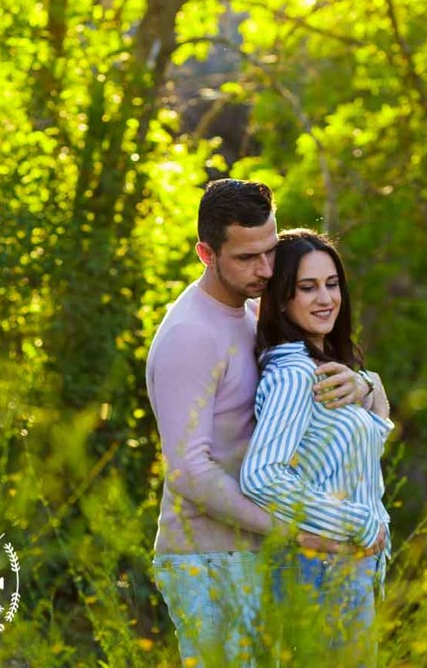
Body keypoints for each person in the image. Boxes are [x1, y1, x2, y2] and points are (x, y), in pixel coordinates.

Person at [146, 180, 375, 667]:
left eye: (271, 252)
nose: (267, 269)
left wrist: (365, 386)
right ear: (206, 253)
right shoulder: (190, 335)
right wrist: (291, 533)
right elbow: (188, 470)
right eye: (248, 258)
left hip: (262, 554)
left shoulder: (255, 309)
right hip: (207, 560)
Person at [240, 229, 391, 663]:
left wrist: (369, 385)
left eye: (331, 283)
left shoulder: (325, 366)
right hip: (319, 570)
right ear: (283, 299)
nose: (325, 298)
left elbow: (355, 453)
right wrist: (358, 522)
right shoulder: (293, 374)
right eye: (307, 287)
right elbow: (262, 475)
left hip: (348, 571)